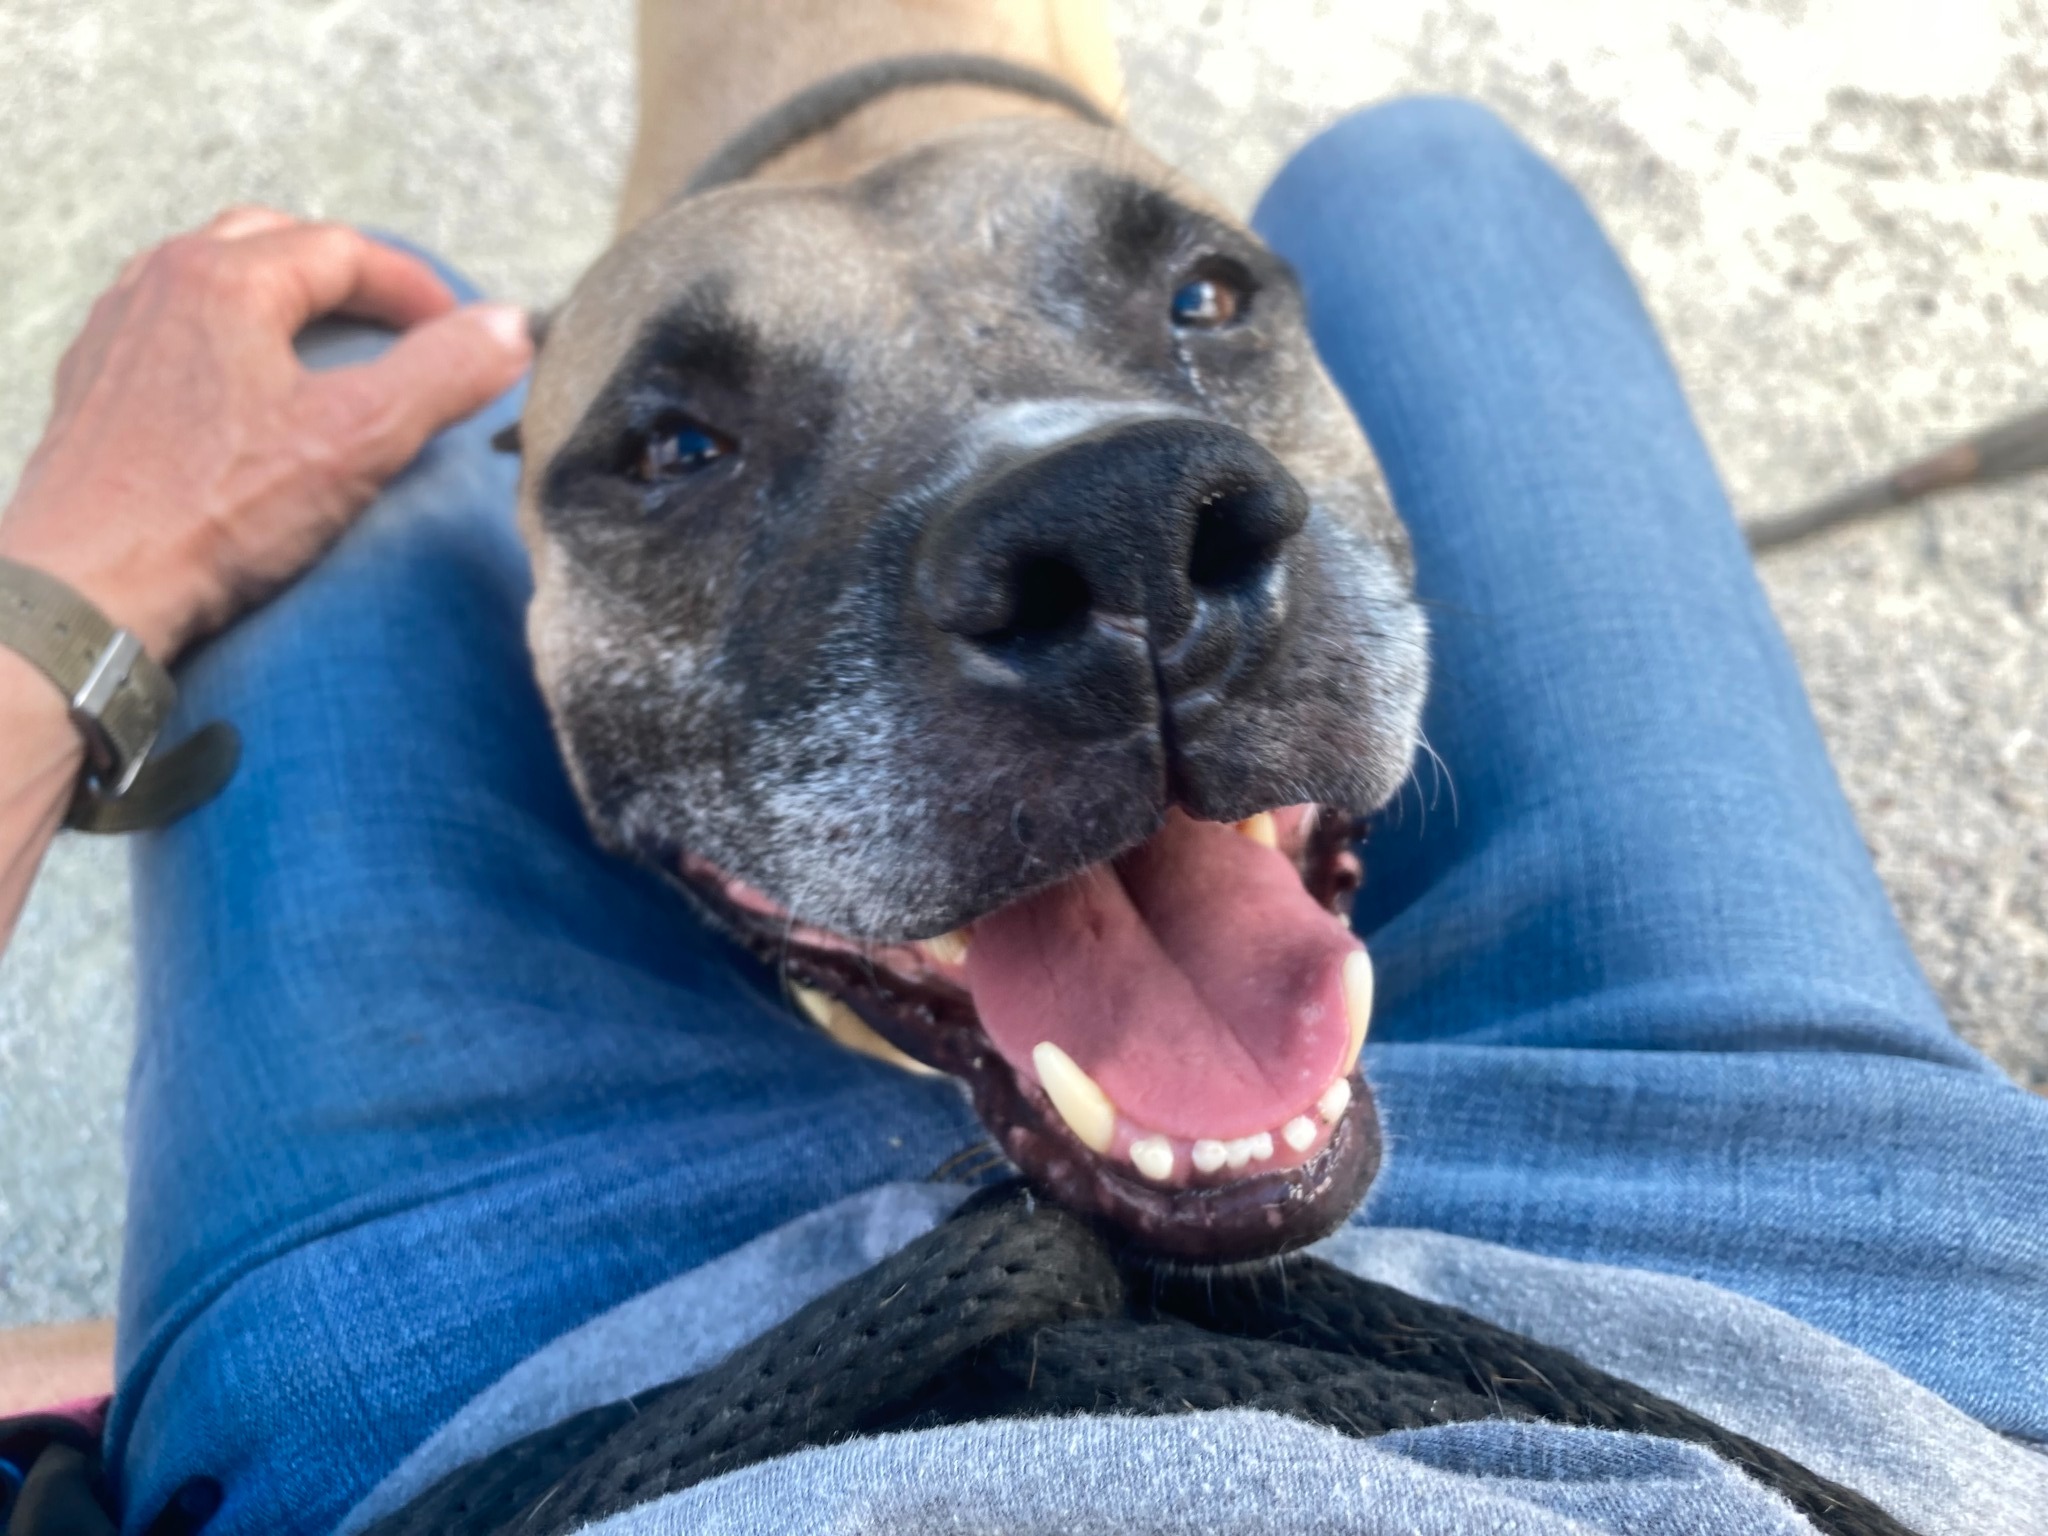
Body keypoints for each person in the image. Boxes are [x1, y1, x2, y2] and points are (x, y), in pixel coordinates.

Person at [0, 101, 2044, 1536]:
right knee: (1426, 169)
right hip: (1830, 1337)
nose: (1114, 512)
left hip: (527, 1419)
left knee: (357, 332)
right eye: (687, 445)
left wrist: (58, 608)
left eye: (1196, 316)